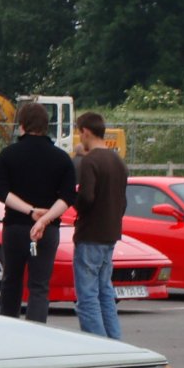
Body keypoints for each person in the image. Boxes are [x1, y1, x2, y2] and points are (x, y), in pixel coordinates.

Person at [0, 101, 76, 322]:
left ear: (22, 125)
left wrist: (30, 211)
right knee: (39, 285)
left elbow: (1, 191)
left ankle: (8, 327)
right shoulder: (61, 158)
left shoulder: (8, 154)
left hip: (16, 228)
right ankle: (36, 331)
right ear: (46, 125)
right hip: (46, 231)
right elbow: (68, 197)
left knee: (12, 280)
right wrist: (45, 218)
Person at [70, 111, 128, 339]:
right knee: (105, 293)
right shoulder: (118, 161)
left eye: (79, 132)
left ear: (85, 131)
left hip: (90, 233)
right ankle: (115, 342)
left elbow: (86, 198)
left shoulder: (90, 161)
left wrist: (74, 202)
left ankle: (98, 345)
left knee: (86, 298)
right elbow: (123, 201)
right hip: (110, 234)